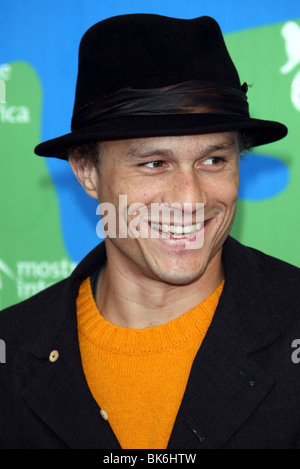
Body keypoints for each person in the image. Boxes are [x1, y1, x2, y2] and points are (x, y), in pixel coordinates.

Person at [0, 13, 300, 450]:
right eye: (154, 163)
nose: (189, 199)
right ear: (87, 171)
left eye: (214, 160)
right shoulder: (11, 352)